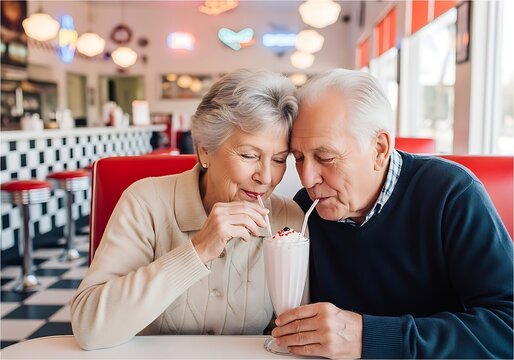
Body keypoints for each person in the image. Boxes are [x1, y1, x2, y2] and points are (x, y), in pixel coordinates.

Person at [271, 69, 513, 358]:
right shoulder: (303, 212)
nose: (307, 178)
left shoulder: (450, 194)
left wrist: (369, 337)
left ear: (379, 148)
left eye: (325, 157)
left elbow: (506, 326)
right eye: (298, 158)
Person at [70, 69, 305, 350]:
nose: (266, 177)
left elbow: (293, 335)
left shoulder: (289, 220)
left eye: (279, 160)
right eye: (249, 155)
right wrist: (197, 250)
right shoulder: (145, 203)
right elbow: (89, 329)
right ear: (204, 149)